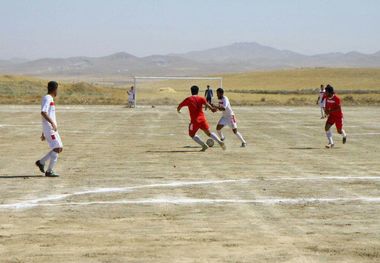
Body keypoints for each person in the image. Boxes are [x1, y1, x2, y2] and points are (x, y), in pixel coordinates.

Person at [177, 85, 225, 151]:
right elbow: (209, 106)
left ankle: (204, 145)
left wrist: (178, 110)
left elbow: (179, 106)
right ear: (198, 91)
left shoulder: (188, 99)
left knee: (192, 135)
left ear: (191, 91)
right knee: (209, 133)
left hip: (195, 121)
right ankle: (220, 142)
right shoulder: (201, 98)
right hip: (203, 119)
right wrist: (213, 109)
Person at [35, 81, 63, 177]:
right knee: (57, 148)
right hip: (50, 128)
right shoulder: (48, 98)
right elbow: (43, 112)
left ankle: (41, 162)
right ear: (55, 89)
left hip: (50, 128)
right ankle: (49, 171)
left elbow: (46, 114)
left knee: (59, 148)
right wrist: (51, 124)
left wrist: (44, 131)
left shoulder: (49, 98)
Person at [323, 84, 347, 149]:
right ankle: (331, 143)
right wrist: (326, 111)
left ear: (330, 92)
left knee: (339, 131)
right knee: (326, 127)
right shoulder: (326, 97)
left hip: (338, 117)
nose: (325, 92)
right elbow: (327, 106)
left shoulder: (337, 99)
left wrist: (330, 112)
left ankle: (344, 135)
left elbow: (338, 108)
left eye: (326, 91)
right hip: (332, 116)